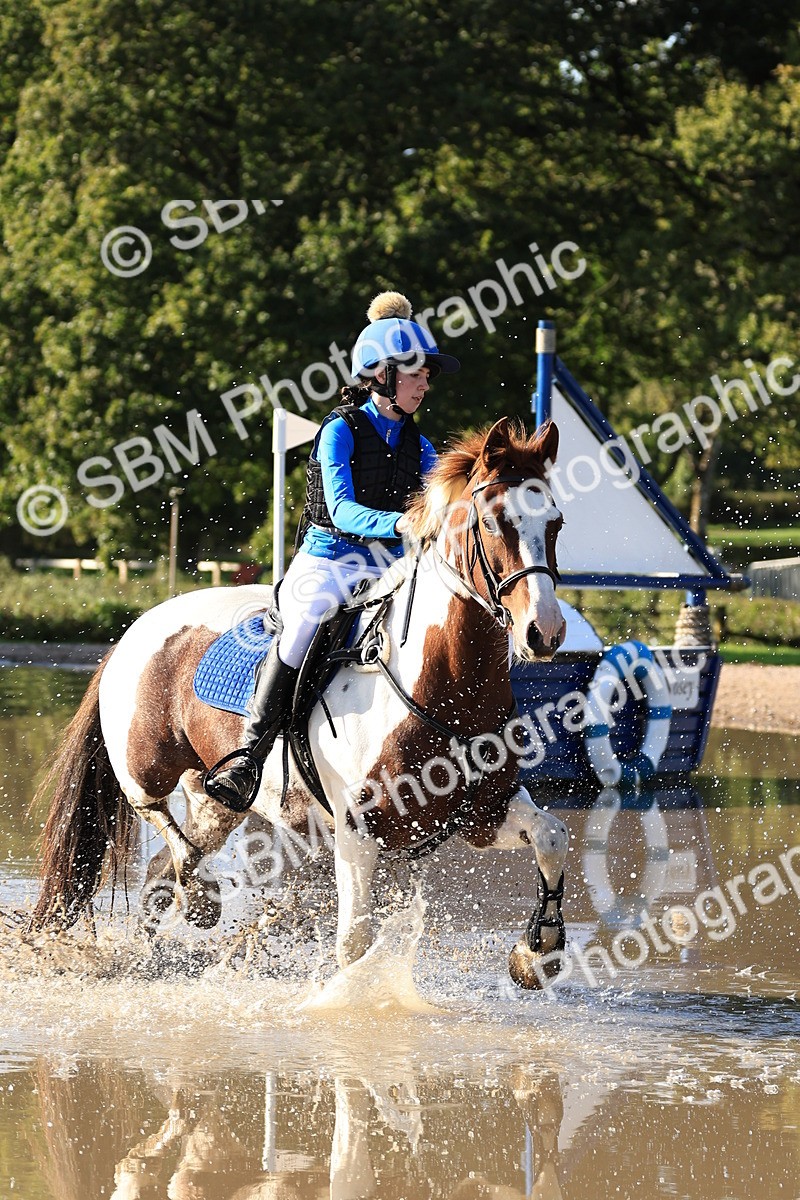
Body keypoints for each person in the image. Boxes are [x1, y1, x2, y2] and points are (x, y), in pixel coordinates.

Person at [204, 290, 460, 809]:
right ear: (383, 374)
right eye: (417, 373)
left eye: (428, 374)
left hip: (390, 564)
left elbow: (440, 507)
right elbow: (342, 511)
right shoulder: (339, 431)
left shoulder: (424, 445)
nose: (426, 382)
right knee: (307, 621)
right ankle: (250, 754)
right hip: (329, 561)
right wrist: (406, 523)